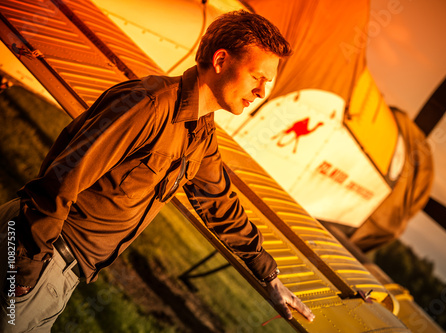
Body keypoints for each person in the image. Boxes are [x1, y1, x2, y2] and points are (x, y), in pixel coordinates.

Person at [0, 10, 315, 332]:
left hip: (60, 269)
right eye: (257, 77)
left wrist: (269, 276)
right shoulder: (148, 105)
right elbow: (60, 181)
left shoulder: (201, 132)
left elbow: (219, 205)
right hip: (35, 251)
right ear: (221, 60)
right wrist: (25, 265)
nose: (262, 92)